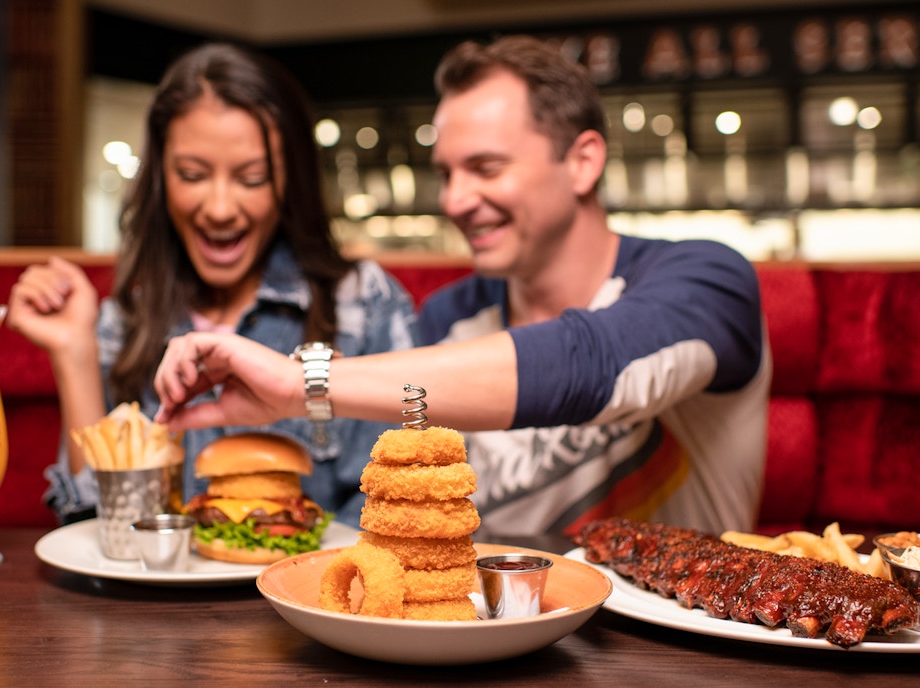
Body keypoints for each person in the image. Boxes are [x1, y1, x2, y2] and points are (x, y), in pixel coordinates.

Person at [153, 35, 770, 538]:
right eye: (446, 173)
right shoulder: (447, 318)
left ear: (582, 161)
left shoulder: (708, 281)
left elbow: (589, 363)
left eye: (486, 168)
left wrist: (301, 384)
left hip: (682, 641)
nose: (455, 200)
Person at [7, 42, 417, 527]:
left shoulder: (362, 302)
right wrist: (73, 352)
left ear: (291, 181)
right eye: (193, 174)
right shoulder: (125, 321)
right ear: (161, 178)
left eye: (252, 177)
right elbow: (98, 528)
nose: (220, 208)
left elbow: (403, 503)